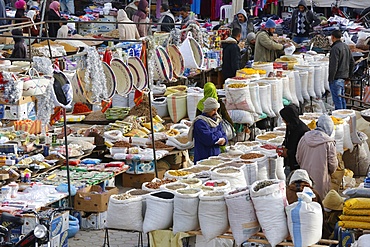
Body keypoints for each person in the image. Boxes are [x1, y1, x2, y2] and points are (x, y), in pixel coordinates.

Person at [296, 114, 338, 199]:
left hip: (304, 177)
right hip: (321, 179)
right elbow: (333, 165)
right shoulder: (328, 142)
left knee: (305, 200)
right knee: (319, 202)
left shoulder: (304, 138)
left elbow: (298, 158)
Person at [189, 97, 227, 164]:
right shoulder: (200, 122)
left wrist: (224, 140)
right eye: (213, 110)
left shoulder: (217, 120)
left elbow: (224, 134)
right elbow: (209, 139)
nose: (215, 113)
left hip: (216, 155)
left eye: (216, 110)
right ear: (207, 110)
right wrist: (219, 135)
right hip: (203, 156)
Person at [278, 104, 310, 175]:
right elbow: (287, 138)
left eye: (284, 118)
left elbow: (302, 150)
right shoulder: (290, 125)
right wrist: (282, 147)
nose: (283, 120)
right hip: (289, 162)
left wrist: (288, 153)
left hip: (298, 164)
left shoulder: (302, 130)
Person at [329, 30, 354, 110]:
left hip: (336, 78)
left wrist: (331, 79)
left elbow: (334, 65)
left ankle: (340, 118)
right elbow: (352, 62)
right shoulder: (346, 46)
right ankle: (345, 116)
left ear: (333, 37)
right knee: (342, 99)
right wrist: (348, 76)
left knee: (338, 101)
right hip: (343, 78)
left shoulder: (335, 48)